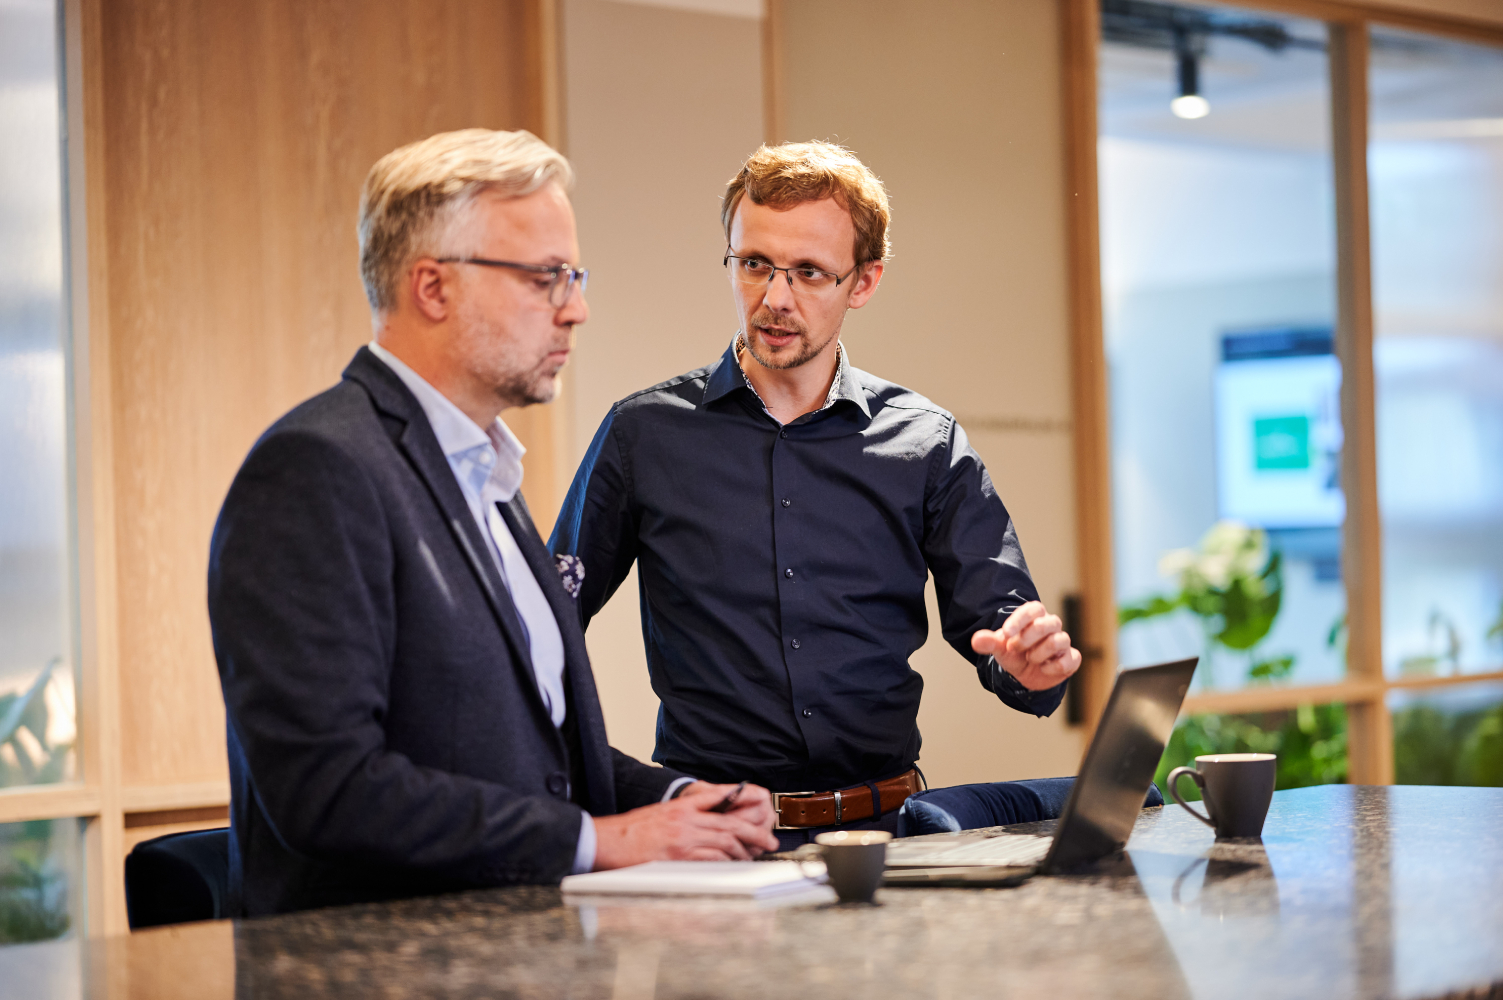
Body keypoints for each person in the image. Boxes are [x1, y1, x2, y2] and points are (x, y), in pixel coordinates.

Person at [208, 129, 777, 917]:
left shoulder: (489, 477)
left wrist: (683, 799)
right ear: (433, 288)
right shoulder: (316, 470)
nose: (576, 310)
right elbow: (325, 789)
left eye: (574, 277)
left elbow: (534, 760)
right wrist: (600, 841)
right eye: (546, 278)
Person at [550, 141, 1085, 850]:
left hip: (891, 843)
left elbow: (1007, 639)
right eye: (754, 265)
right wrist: (602, 784)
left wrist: (1027, 665)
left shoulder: (924, 443)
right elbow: (542, 626)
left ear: (862, 282)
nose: (774, 298)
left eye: (807, 272)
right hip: (717, 841)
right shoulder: (642, 435)